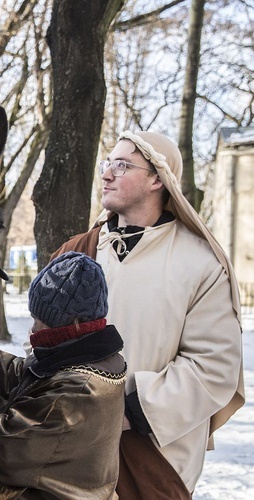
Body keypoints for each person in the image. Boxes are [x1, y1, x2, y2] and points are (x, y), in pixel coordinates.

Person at [52, 131, 245, 498]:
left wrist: (125, 411)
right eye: (107, 163)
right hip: (70, 448)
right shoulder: (77, 253)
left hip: (151, 455)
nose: (106, 173)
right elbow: (43, 343)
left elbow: (213, 366)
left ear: (158, 178)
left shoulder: (201, 263)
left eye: (122, 165)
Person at [0, 251, 126, 499]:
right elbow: (23, 376)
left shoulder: (80, 390)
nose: (32, 329)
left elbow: (4, 443)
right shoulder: (89, 357)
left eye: (39, 320)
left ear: (73, 323)